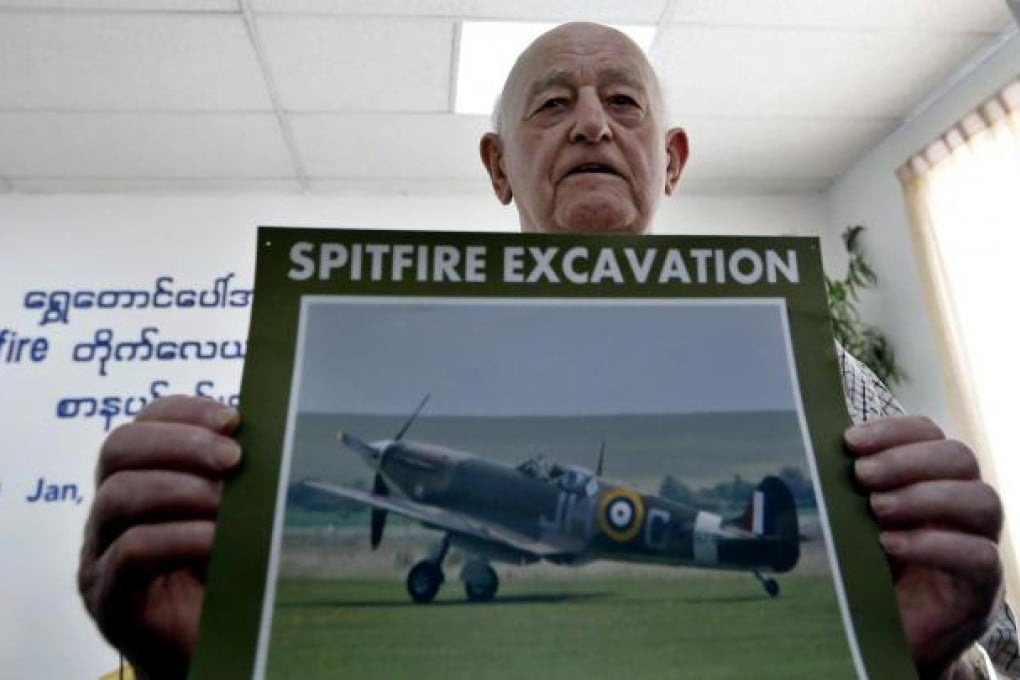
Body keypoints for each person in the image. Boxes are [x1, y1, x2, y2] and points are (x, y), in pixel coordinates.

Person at [78, 22, 1016, 679]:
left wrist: (938, 658)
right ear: (498, 166)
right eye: (553, 103)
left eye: (623, 102)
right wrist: (195, 658)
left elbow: (996, 648)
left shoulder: (822, 370)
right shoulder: (330, 348)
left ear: (671, 160)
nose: (593, 124)